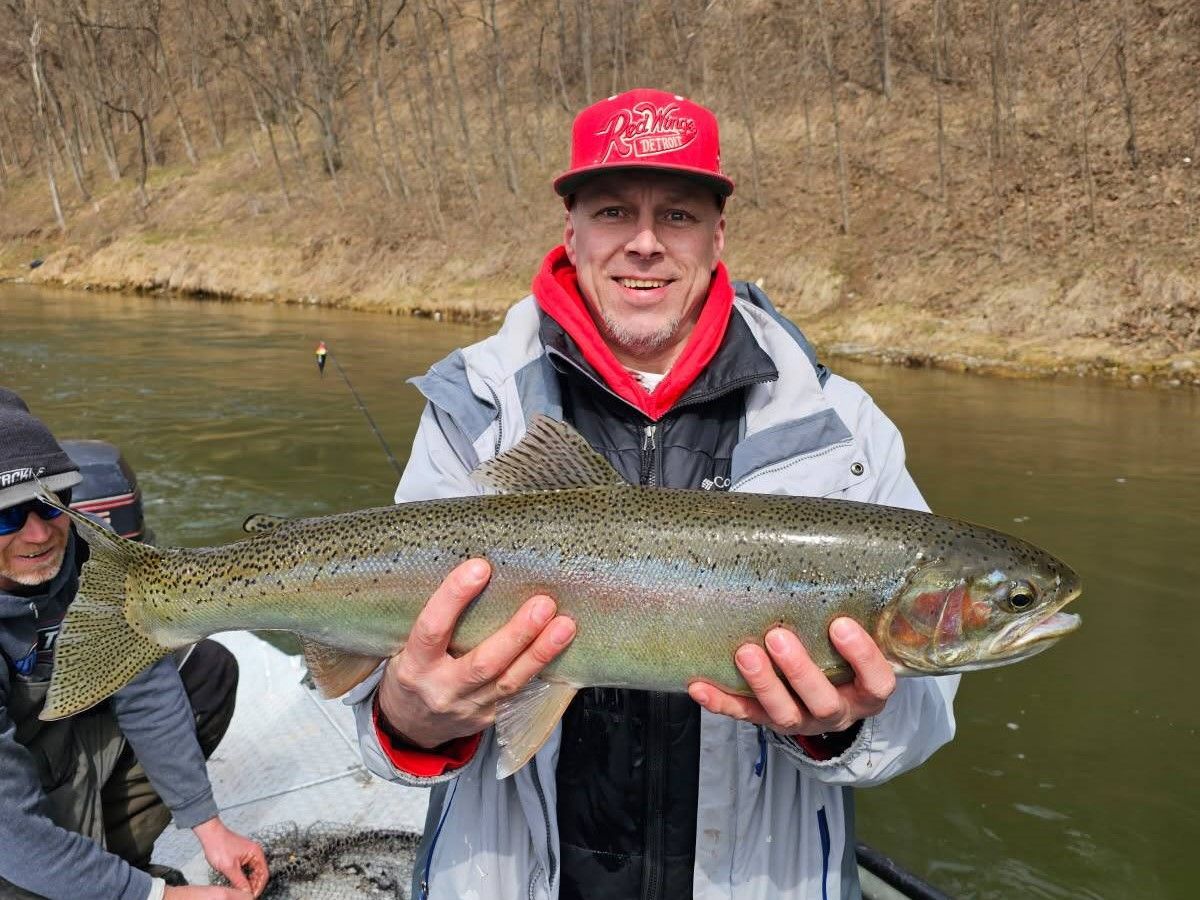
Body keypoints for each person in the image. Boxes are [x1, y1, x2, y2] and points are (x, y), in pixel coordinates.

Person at [353, 88, 958, 899]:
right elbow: (371, 703)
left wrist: (844, 726)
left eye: (675, 214)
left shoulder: (845, 430)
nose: (644, 242)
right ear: (572, 229)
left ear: (717, 233)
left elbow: (923, 717)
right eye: (613, 212)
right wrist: (410, 714)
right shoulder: (475, 409)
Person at [0, 388, 269, 900]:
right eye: (5, 517)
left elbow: (145, 689)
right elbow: (7, 826)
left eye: (49, 504)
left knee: (205, 671)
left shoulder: (92, 554)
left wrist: (208, 827)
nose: (38, 535)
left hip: (60, 737)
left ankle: (109, 868)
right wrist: (158, 898)